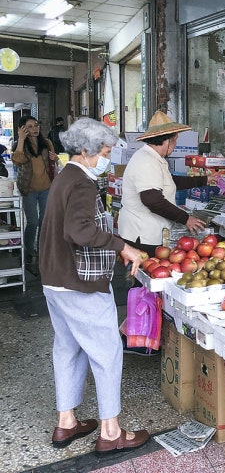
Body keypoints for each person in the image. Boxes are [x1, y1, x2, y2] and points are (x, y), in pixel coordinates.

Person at [39, 118, 150, 455]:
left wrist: (112, 248)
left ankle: (67, 421)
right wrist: (122, 246)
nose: (106, 158)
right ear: (85, 151)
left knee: (68, 349)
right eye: (103, 152)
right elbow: (79, 231)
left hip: (55, 280)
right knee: (106, 352)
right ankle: (111, 431)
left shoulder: (66, 177)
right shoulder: (83, 184)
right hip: (78, 284)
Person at [118, 111, 219, 259]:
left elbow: (170, 181)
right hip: (142, 235)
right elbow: (152, 200)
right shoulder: (146, 162)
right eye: (175, 140)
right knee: (143, 276)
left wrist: (204, 180)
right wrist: (185, 219)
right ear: (167, 141)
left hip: (148, 232)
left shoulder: (154, 159)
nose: (176, 144)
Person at [11, 115, 58, 262]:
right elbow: (17, 161)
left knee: (44, 221)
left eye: (36, 125)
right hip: (28, 189)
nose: (34, 129)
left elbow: (54, 161)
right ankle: (29, 251)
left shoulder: (46, 142)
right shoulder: (21, 144)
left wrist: (55, 158)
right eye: (30, 127)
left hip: (46, 188)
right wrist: (21, 139)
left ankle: (41, 250)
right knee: (33, 222)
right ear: (23, 129)